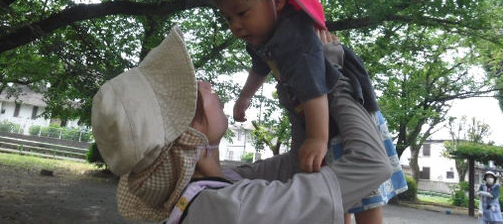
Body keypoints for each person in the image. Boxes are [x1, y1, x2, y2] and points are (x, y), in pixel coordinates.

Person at [91, 26, 392, 224]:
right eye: (193, 92)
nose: (206, 84)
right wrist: (333, 77)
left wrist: (301, 85)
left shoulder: (218, 185)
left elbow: (304, 162)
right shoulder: (231, 208)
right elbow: (371, 164)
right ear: (190, 136)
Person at [207, 0, 407, 223]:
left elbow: (315, 85)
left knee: (365, 195)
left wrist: (317, 137)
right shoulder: (260, 36)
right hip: (312, 113)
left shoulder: (294, 35)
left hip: (337, 104)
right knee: (334, 184)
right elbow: (260, 66)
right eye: (228, 17)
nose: (235, 25)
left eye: (241, 13)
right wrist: (246, 96)